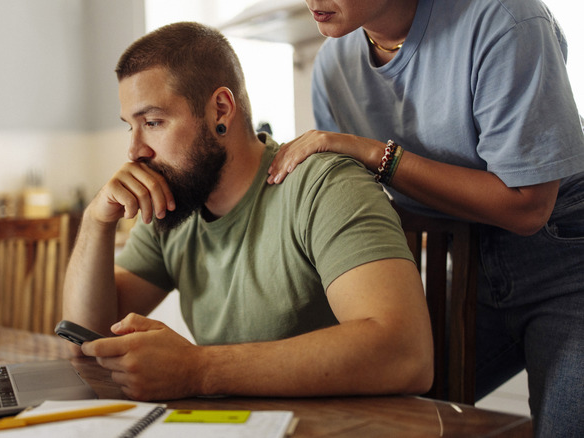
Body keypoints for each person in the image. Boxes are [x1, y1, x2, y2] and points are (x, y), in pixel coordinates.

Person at [61, 21, 434, 402]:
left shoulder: (323, 184)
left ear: (220, 110)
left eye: (153, 122)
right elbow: (88, 340)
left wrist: (198, 370)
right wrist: (96, 222)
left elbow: (405, 353)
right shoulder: (174, 204)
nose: (135, 151)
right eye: (131, 127)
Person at [267, 1, 584, 435]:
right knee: (364, 405)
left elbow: (528, 206)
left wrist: (375, 153)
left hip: (567, 261)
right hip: (464, 262)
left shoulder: (505, 17)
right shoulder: (332, 65)